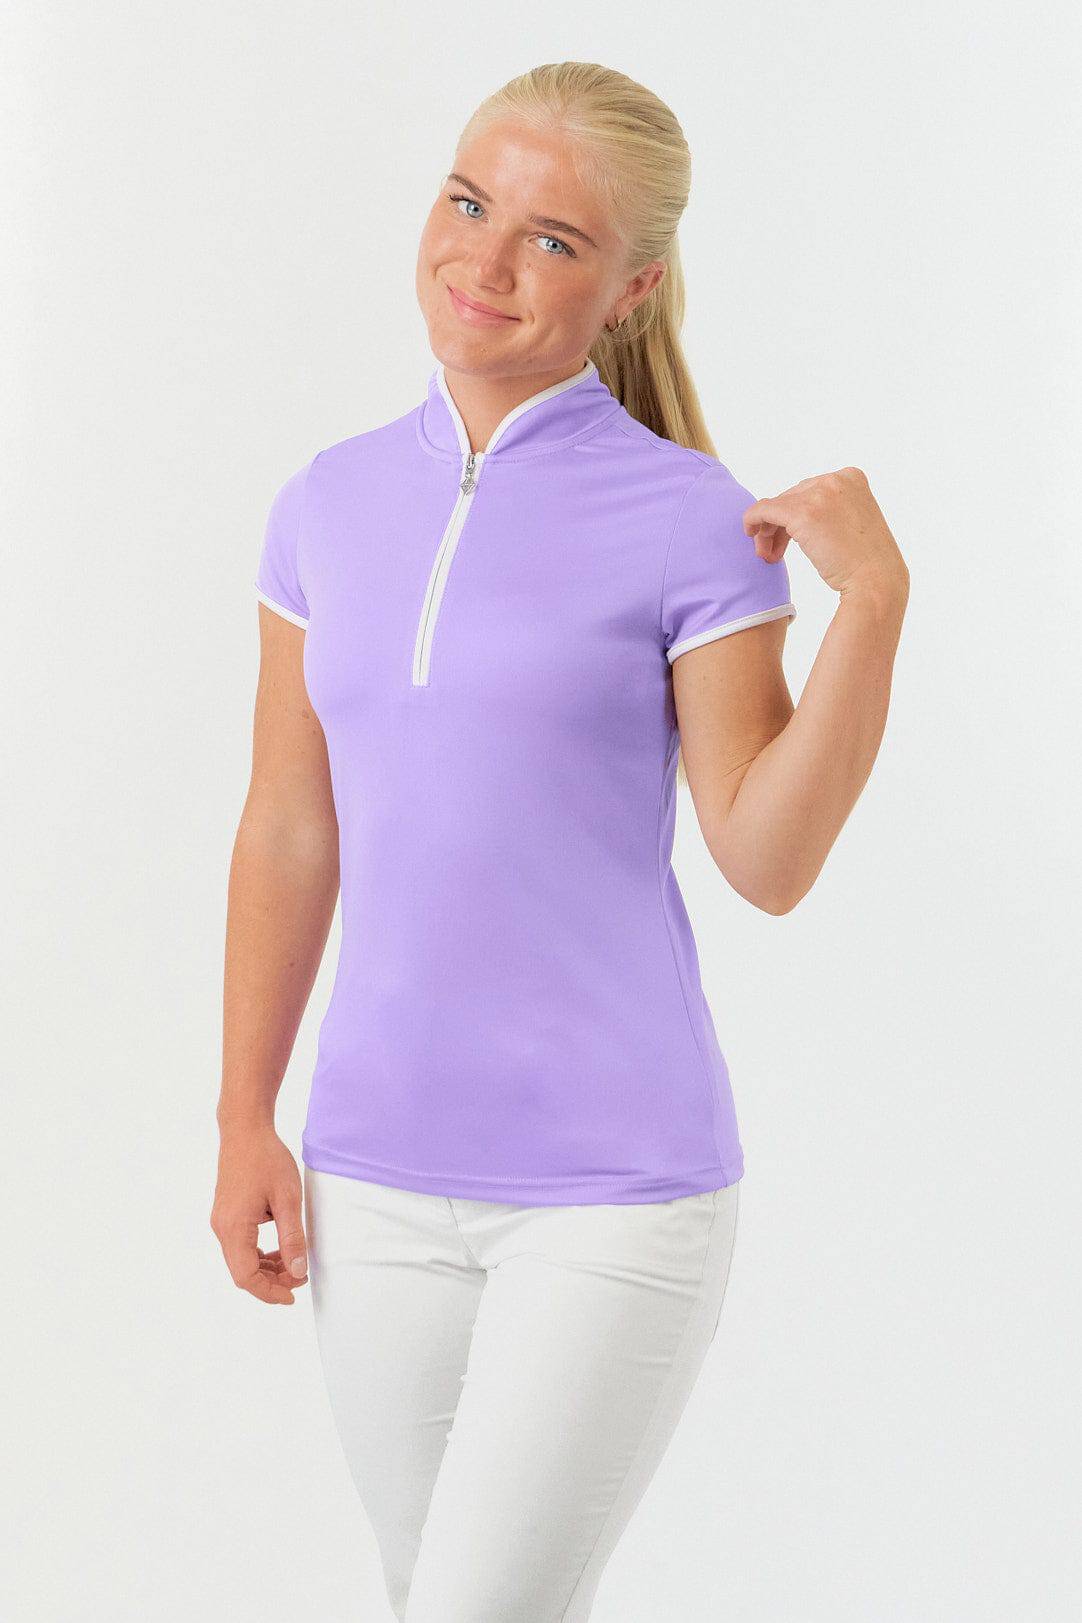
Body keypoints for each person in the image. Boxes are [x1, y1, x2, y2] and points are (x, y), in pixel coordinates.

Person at [211, 60, 909, 1623]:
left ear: (631, 288)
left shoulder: (688, 517)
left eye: (551, 239)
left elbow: (767, 858)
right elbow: (289, 823)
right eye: (468, 204)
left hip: (610, 1190)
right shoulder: (324, 506)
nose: (484, 260)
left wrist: (869, 607)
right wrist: (243, 1114)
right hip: (369, 1178)